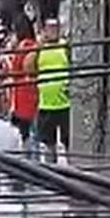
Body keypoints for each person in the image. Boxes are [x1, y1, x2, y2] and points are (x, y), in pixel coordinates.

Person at [34, 17, 70, 163]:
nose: (53, 31)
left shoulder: (65, 46)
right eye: (50, 28)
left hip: (65, 103)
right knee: (49, 145)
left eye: (56, 27)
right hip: (46, 104)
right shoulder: (39, 47)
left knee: (69, 142)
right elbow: (29, 67)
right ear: (44, 30)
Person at [2, 17, 39, 158]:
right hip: (30, 94)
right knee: (32, 132)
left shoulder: (24, 46)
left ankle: (30, 164)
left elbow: (15, 71)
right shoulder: (33, 45)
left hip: (23, 95)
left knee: (26, 134)